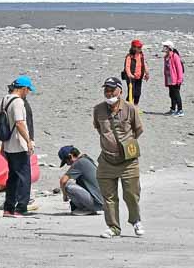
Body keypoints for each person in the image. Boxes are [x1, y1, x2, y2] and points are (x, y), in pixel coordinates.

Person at [93, 77, 146, 238]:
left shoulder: (130, 108)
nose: (109, 93)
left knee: (131, 194)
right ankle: (113, 227)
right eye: (106, 90)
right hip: (107, 160)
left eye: (112, 90)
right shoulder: (98, 109)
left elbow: (138, 129)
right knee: (108, 196)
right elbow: (98, 128)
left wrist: (126, 144)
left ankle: (135, 220)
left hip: (128, 161)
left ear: (120, 91)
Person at [0, 75, 37, 216]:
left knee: (13, 177)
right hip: (19, 145)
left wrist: (3, 145)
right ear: (24, 89)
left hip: (8, 145)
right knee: (24, 177)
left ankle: (8, 208)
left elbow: (3, 124)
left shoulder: (5, 100)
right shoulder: (18, 102)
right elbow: (19, 123)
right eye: (28, 90)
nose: (28, 93)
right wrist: (28, 141)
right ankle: (21, 208)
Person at [56, 145, 103, 214]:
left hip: (97, 203)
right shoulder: (86, 159)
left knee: (68, 186)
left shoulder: (79, 162)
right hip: (101, 201)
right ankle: (86, 208)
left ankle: (86, 209)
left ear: (70, 156)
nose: (68, 164)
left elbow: (63, 181)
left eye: (66, 162)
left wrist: (64, 196)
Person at [122, 39, 148, 106]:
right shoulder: (129, 56)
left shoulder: (141, 55)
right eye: (138, 47)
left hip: (139, 77)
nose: (140, 48)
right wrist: (129, 74)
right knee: (131, 92)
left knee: (138, 93)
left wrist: (147, 73)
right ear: (133, 48)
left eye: (140, 47)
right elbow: (127, 67)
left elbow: (144, 64)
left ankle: (135, 106)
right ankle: (127, 106)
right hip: (131, 78)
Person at [162, 42, 185, 115]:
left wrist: (179, 79)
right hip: (170, 79)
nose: (164, 48)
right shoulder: (166, 57)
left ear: (169, 48)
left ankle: (180, 110)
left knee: (176, 94)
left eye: (165, 46)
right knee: (171, 94)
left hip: (175, 79)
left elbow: (179, 68)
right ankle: (173, 109)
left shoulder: (175, 56)